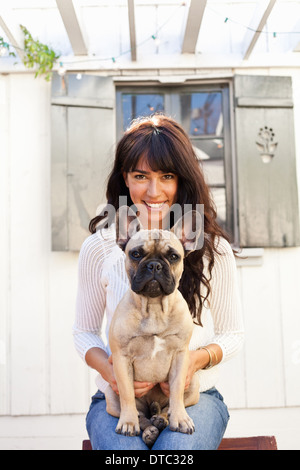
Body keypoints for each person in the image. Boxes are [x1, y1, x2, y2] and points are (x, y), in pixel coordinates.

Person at [73, 114, 244, 450]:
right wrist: (111, 373)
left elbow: (233, 334)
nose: (154, 191)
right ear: (125, 179)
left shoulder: (212, 248)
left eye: (167, 176)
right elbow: (83, 333)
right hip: (120, 397)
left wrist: (196, 359)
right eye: (141, 176)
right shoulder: (101, 245)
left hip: (196, 397)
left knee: (175, 453)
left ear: (182, 179)